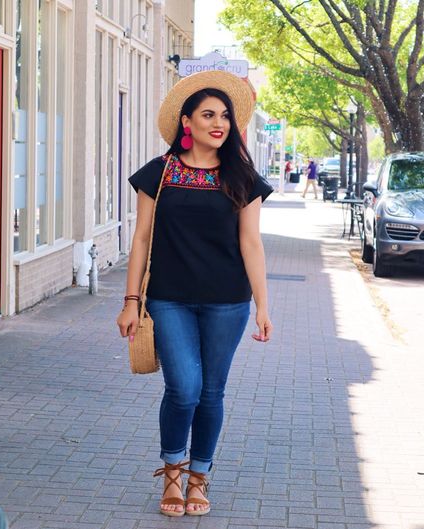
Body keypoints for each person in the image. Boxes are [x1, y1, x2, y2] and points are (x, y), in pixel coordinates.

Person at [116, 70, 273, 517]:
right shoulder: (160, 173)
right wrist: (130, 301)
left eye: (224, 115)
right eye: (208, 114)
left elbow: (251, 244)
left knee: (211, 392)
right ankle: (171, 471)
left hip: (228, 302)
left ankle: (199, 477)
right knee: (183, 388)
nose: (218, 123)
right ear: (187, 122)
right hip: (169, 298)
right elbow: (142, 239)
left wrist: (263, 305)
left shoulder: (243, 177)